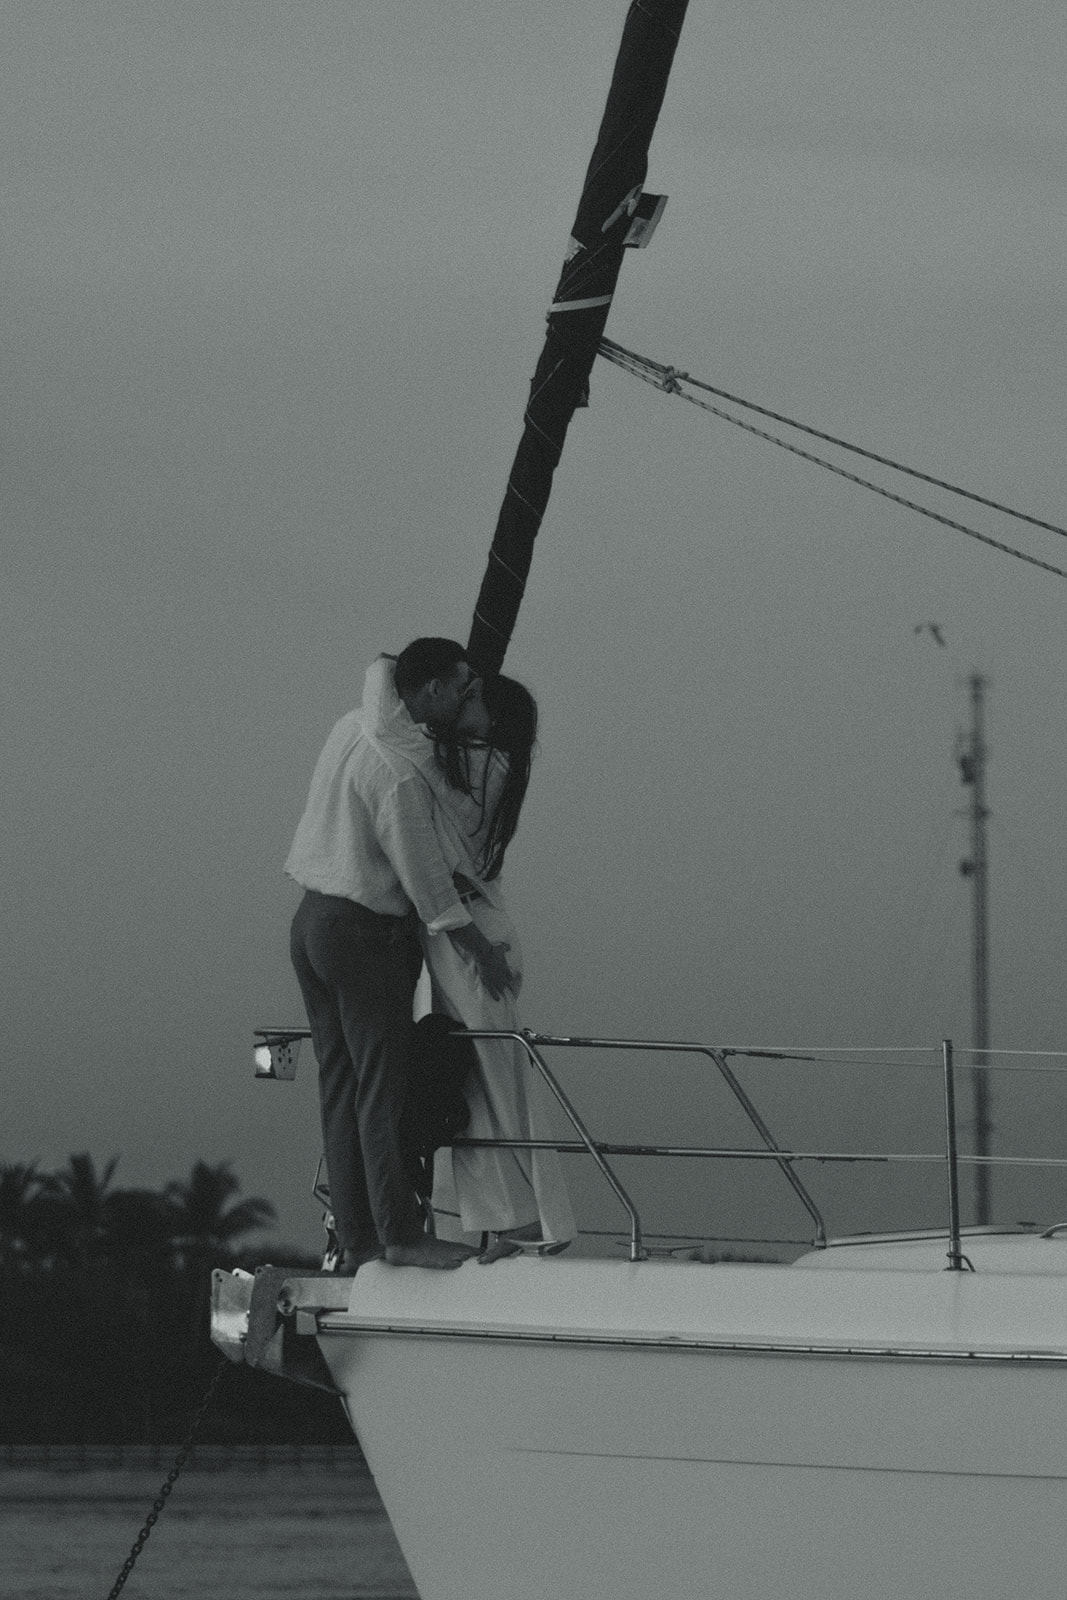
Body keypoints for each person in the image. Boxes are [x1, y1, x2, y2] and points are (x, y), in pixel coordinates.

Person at [285, 638, 517, 1272]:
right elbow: (429, 889)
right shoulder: (397, 770)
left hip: (310, 921)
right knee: (380, 1092)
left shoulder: (350, 726)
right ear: (434, 690)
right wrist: (483, 955)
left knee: (340, 1087)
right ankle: (401, 1235)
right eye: (465, 688)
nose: (472, 696)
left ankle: (359, 1239)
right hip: (362, 933)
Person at [416, 674, 576, 1258]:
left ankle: (523, 1218)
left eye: (476, 698)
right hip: (475, 926)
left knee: (489, 1071)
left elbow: (395, 727)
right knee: (484, 1073)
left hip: (473, 934)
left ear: (494, 718)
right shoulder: (488, 766)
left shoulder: (477, 765)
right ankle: (511, 1218)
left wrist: (423, 682)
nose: (465, 702)